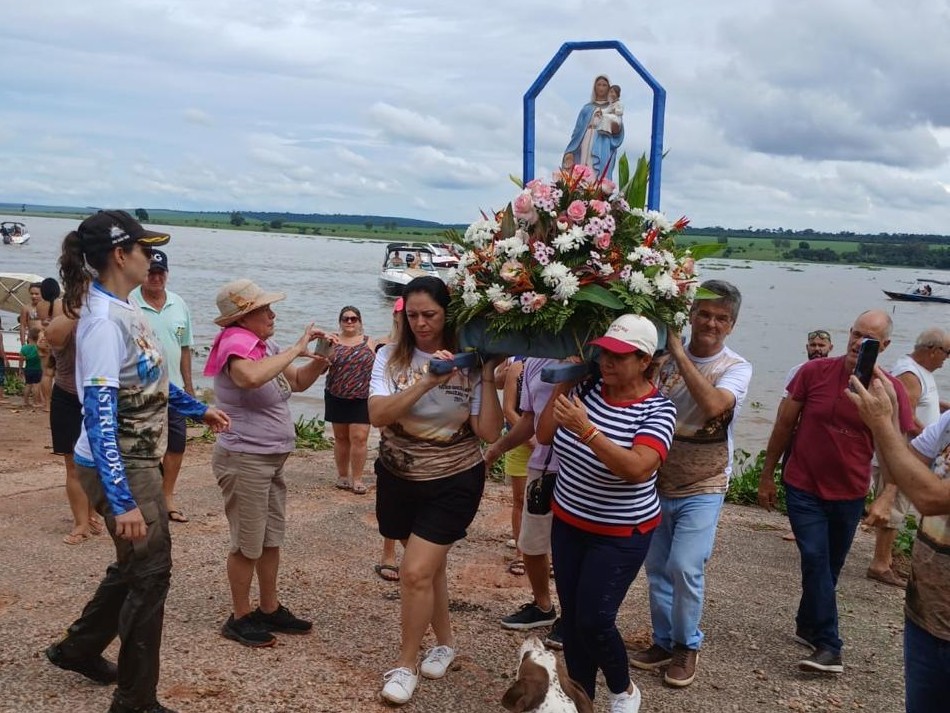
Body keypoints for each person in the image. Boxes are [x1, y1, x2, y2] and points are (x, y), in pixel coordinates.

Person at [44, 210, 229, 713]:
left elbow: (149, 379)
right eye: (145, 249)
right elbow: (99, 412)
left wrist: (196, 408)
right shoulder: (103, 323)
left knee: (134, 567)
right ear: (120, 255)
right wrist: (122, 499)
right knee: (151, 572)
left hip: (134, 458)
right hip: (124, 463)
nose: (152, 257)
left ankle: (79, 649)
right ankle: (135, 700)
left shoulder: (125, 309)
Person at [369, 275, 502, 706]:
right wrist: (426, 380)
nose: (421, 324)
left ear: (449, 314)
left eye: (430, 315)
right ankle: (444, 643)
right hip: (398, 473)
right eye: (413, 316)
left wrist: (485, 374)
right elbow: (377, 415)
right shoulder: (389, 357)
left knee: (413, 572)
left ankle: (405, 665)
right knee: (429, 569)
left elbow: (488, 431)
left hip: (454, 477)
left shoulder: (469, 362)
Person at [757, 310, 914, 675]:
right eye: (856, 334)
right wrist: (767, 475)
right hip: (803, 484)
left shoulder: (889, 390)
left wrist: (887, 495)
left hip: (849, 491)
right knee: (815, 557)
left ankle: (806, 624)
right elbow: (784, 423)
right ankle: (830, 646)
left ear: (885, 346)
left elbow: (897, 449)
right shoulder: (813, 372)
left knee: (829, 567)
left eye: (869, 339)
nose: (859, 343)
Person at [536, 315, 676, 712]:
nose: (606, 362)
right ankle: (582, 698)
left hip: (621, 532)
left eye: (619, 356)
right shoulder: (586, 388)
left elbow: (637, 468)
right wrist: (563, 383)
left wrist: (587, 430)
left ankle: (623, 690)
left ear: (645, 360)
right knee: (573, 620)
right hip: (569, 521)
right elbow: (544, 434)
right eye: (602, 353)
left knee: (595, 619)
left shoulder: (658, 410)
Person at [631, 280, 752, 689]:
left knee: (685, 565)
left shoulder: (735, 367)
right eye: (704, 314)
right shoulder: (660, 361)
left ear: (732, 325)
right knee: (657, 568)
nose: (711, 324)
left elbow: (715, 405)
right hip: (657, 479)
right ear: (690, 315)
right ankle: (664, 641)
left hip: (705, 482)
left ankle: (687, 645)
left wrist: (678, 353)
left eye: (721, 318)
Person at [205, 278, 332, 648]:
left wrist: (320, 358)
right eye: (264, 309)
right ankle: (239, 617)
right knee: (247, 542)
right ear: (243, 317)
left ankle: (269, 607)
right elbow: (249, 378)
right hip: (245, 458)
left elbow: (298, 382)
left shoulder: (263, 346)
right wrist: (296, 348)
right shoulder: (234, 343)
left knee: (270, 538)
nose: (272, 314)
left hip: (270, 459)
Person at [847, 370, 950, 713]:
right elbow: (902, 472)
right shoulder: (948, 422)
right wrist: (889, 418)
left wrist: (882, 424)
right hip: (925, 614)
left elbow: (931, 498)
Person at [485, 358, 563, 648]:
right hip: (542, 464)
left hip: (576, 466)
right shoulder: (532, 363)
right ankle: (543, 606)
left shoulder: (586, 358)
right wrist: (495, 450)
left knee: (569, 547)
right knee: (531, 543)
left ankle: (573, 616)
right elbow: (529, 417)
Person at [867, 327, 950, 587]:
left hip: (910, 457)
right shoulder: (910, 374)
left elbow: (922, 402)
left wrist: (942, 409)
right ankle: (881, 563)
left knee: (898, 509)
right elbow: (907, 418)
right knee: (894, 509)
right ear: (933, 350)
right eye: (947, 353)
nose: (947, 359)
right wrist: (935, 440)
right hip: (904, 457)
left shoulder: (920, 373)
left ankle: (887, 559)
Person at [130, 249, 196, 523]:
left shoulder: (179, 304)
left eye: (160, 273)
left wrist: (189, 387)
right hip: (140, 390)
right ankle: (142, 499)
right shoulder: (129, 302)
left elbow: (185, 348)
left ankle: (167, 496)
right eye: (151, 273)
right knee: (143, 445)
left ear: (167, 274)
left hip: (175, 389)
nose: (155, 278)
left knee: (176, 446)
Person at [45, 313, 103, 544]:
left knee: (98, 462)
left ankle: (91, 512)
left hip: (99, 397)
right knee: (73, 465)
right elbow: (52, 336)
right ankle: (81, 522)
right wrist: (77, 306)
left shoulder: (104, 317)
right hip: (68, 397)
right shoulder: (67, 318)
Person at [325, 305, 376, 494]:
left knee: (359, 438)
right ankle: (342, 476)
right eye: (345, 318)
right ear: (340, 322)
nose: (349, 321)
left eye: (353, 318)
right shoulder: (332, 341)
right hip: (336, 395)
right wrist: (326, 350)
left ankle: (357, 479)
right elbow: (320, 368)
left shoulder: (369, 342)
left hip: (362, 397)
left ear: (359, 322)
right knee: (340, 438)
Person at [373, 297, 405, 583]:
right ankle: (388, 553)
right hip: (391, 433)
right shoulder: (384, 349)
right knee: (392, 500)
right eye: (403, 314)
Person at [501, 356, 532, 576]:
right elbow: (509, 410)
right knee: (520, 498)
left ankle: (547, 553)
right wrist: (530, 438)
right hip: (520, 441)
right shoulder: (517, 368)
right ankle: (520, 553)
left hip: (551, 442)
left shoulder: (562, 366)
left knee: (551, 501)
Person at [562, 74, 625, 180]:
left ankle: (600, 186)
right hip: (586, 138)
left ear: (609, 89)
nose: (601, 88)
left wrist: (613, 124)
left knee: (601, 168)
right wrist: (570, 151)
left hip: (603, 140)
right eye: (599, 85)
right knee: (585, 165)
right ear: (595, 87)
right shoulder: (587, 108)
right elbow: (577, 132)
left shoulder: (612, 107)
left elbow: (618, 129)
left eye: (604, 85)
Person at [19, 327, 44, 408]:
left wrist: (20, 368)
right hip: (37, 369)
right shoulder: (38, 347)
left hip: (28, 369)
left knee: (28, 385)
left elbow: (21, 359)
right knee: (36, 385)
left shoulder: (24, 348)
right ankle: (36, 402)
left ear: (29, 337)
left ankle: (25, 401)